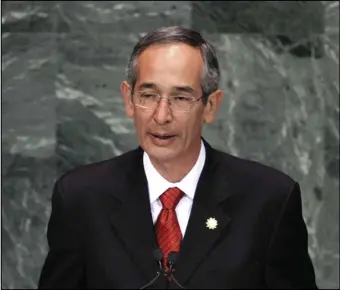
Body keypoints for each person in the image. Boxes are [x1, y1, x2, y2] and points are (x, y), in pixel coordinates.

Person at [38, 26, 318, 289]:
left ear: (210, 106)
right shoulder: (81, 198)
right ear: (128, 99)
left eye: (181, 98)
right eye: (148, 95)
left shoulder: (269, 201)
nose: (162, 116)